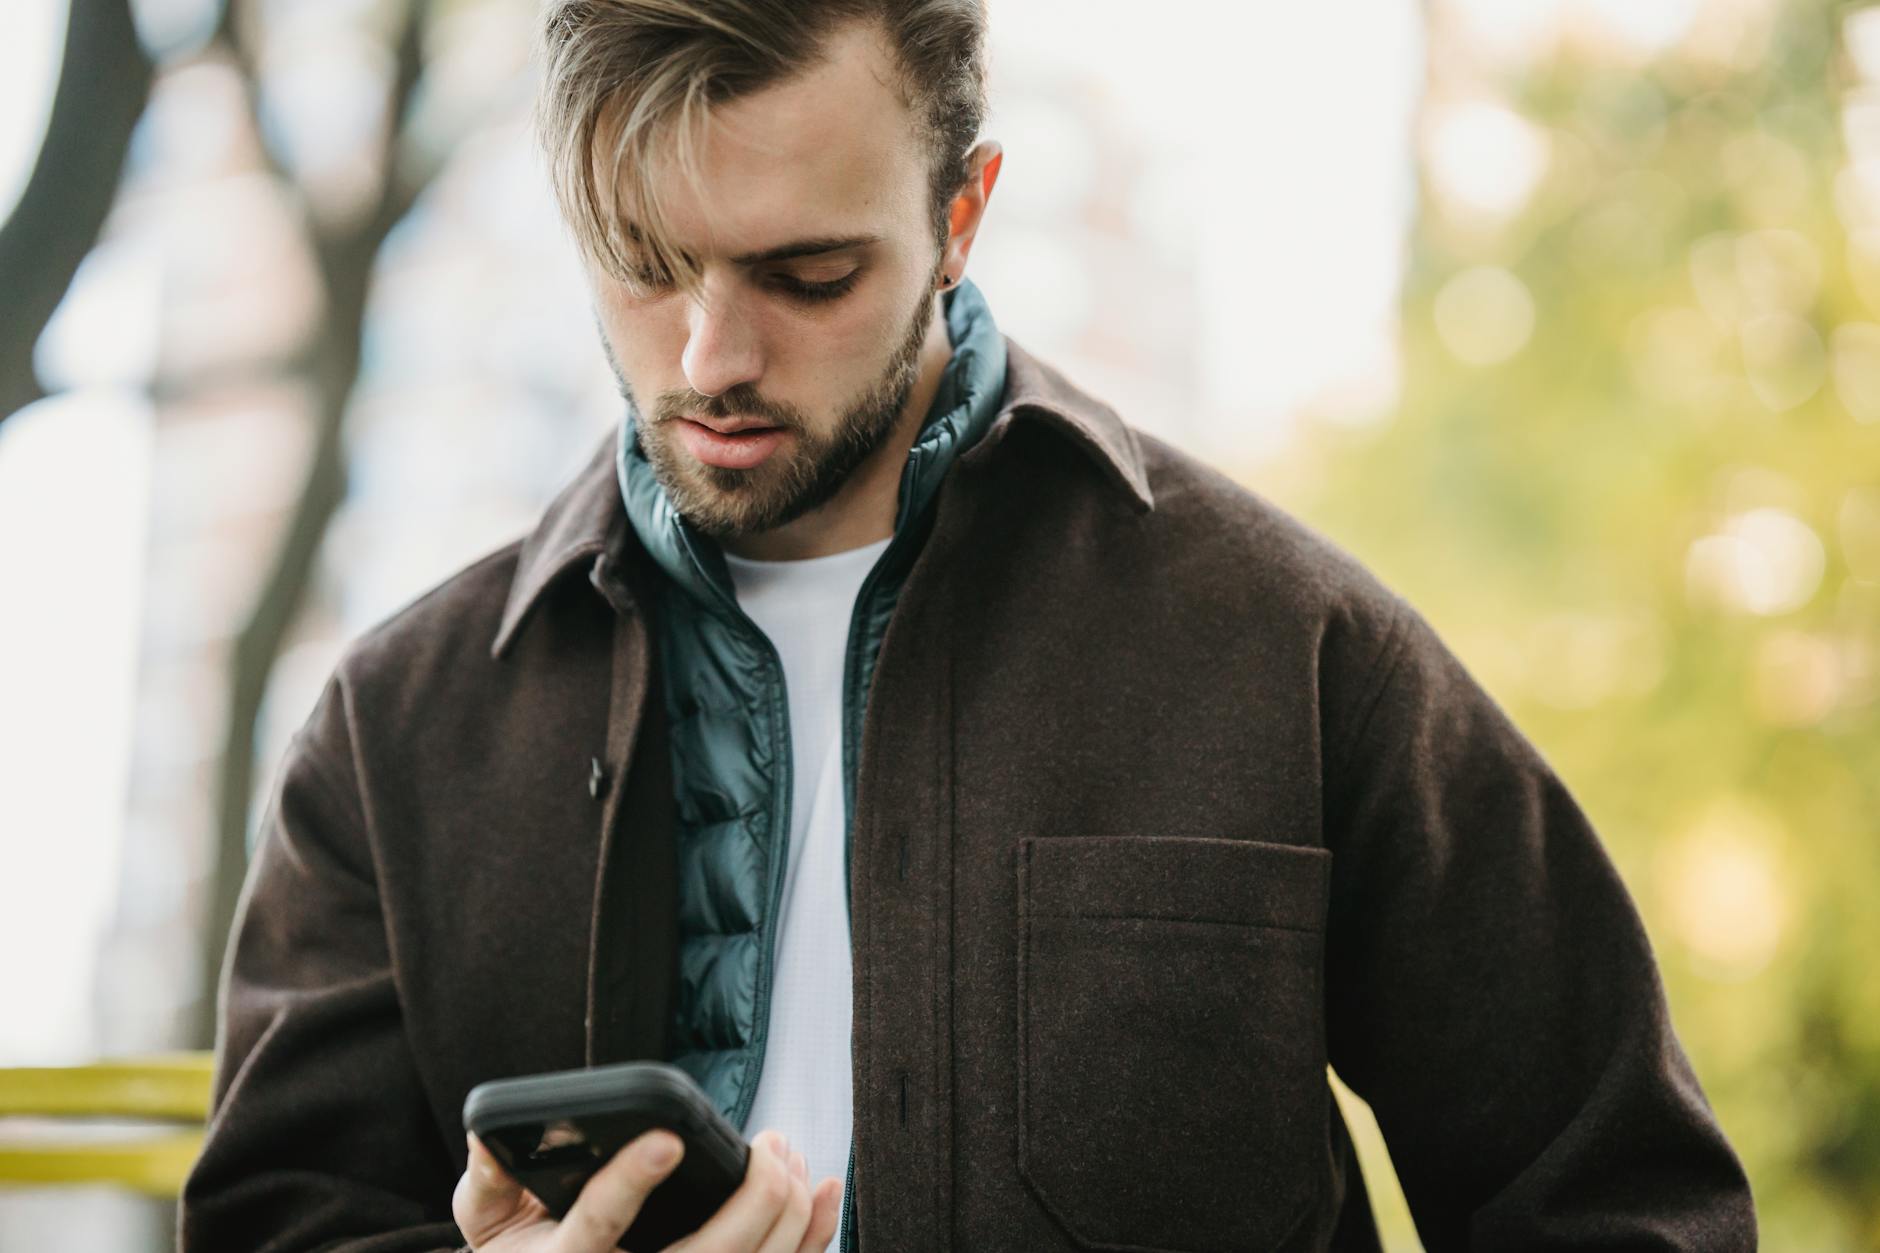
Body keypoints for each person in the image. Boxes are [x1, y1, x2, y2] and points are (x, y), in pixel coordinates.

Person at [179, 1, 1758, 1250]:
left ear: (964, 214)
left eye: (806, 273)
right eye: (646, 266)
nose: (711, 354)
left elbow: (1625, 1200)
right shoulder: (394, 733)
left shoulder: (1292, 651)